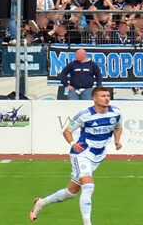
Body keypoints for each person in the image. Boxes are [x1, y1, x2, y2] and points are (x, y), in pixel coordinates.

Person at [30, 86, 122, 224]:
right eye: (103, 96)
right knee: (89, 186)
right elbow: (67, 131)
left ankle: (41, 203)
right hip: (82, 153)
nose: (107, 98)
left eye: (108, 96)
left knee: (71, 192)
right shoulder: (84, 115)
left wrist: (117, 140)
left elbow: (118, 127)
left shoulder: (116, 113)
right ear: (94, 98)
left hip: (98, 155)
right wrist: (73, 143)